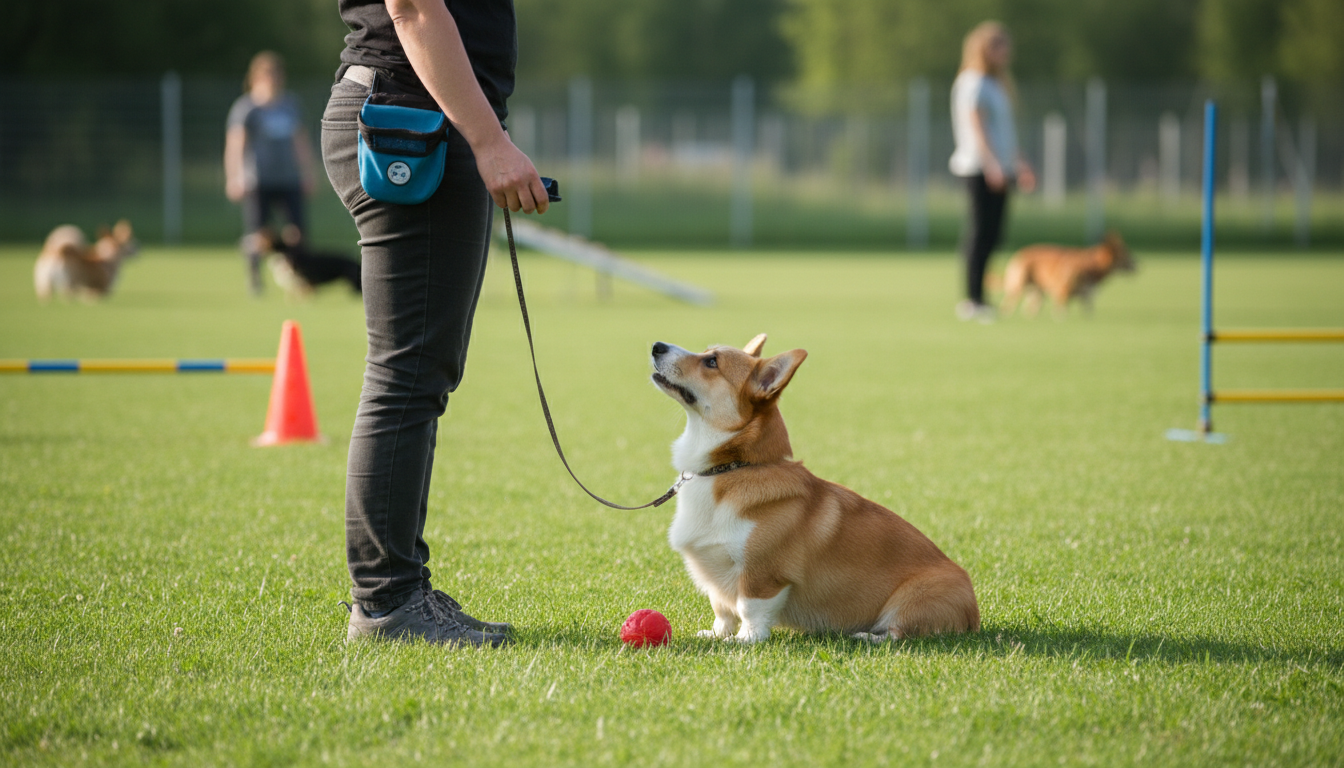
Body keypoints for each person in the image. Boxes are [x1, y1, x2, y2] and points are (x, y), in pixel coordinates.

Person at [322, 0, 550, 647]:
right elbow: (416, 9)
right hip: (409, 119)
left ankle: (400, 590)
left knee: (421, 371)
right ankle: (387, 601)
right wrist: (489, 142)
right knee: (407, 372)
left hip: (419, 114)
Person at [948, 21, 1035, 323]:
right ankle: (973, 300)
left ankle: (981, 298)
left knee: (994, 233)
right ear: (985, 49)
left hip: (1001, 166)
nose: (1006, 52)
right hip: (980, 166)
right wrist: (992, 164)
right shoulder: (973, 82)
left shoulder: (997, 83)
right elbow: (977, 125)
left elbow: (1004, 132)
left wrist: (1018, 161)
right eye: (1000, 46)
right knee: (980, 232)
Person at [224, 52, 318, 295]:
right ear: (256, 77)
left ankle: (302, 277)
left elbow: (301, 142)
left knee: (298, 231)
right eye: (269, 74)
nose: (275, 79)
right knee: (257, 233)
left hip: (288, 179)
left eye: (278, 74)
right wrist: (233, 177)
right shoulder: (247, 108)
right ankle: (255, 279)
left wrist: (308, 172)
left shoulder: (290, 104)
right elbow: (235, 145)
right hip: (258, 180)